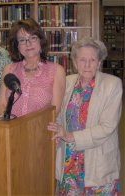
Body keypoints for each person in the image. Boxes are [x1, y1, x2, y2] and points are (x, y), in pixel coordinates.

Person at [47, 37, 122, 195]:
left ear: (99, 62)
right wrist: (58, 130)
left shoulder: (112, 84)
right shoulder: (66, 82)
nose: (87, 65)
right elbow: (58, 113)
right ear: (74, 61)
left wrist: (69, 135)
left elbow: (107, 126)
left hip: (98, 163)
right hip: (69, 162)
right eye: (82, 60)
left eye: (92, 60)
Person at [0, 18, 66, 117]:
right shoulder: (9, 69)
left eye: (32, 38)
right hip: (11, 130)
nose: (28, 44)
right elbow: (2, 104)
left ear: (40, 41)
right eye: (22, 40)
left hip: (40, 130)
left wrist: (28, 127)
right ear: (17, 45)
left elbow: (54, 111)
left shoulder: (56, 71)